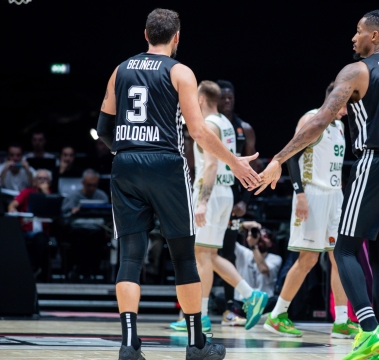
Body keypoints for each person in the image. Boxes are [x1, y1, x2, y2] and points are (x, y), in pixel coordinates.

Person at [256, 10, 379, 359]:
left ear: (376, 37)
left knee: (344, 250)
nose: (354, 38)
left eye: (359, 31)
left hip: (376, 161)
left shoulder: (357, 71)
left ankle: (367, 329)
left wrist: (277, 158)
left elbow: (320, 120)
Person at [96, 9, 259, 360]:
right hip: (165, 165)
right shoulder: (180, 71)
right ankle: (196, 344)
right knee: (184, 256)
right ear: (177, 38)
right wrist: (234, 161)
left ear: (145, 34)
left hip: (124, 164)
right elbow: (198, 132)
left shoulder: (120, 70)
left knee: (130, 257)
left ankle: (128, 344)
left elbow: (104, 129)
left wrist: (128, 152)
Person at [170, 81, 268, 334]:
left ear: (200, 99)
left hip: (211, 195)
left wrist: (202, 201)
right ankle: (209, 312)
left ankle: (228, 304)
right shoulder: (226, 123)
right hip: (225, 193)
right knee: (209, 255)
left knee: (202, 255)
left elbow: (212, 165)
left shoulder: (209, 124)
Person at [264, 82, 359, 339]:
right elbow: (292, 156)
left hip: (333, 195)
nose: (347, 112)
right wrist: (300, 194)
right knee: (308, 259)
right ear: (334, 100)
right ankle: (277, 315)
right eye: (345, 105)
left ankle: (341, 321)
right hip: (311, 194)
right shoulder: (310, 118)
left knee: (339, 257)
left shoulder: (338, 126)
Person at [216, 79, 261, 322]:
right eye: (222, 98)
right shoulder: (210, 125)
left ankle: (231, 307)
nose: (226, 102)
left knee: (227, 252)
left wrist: (244, 201)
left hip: (231, 198)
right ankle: (191, 310)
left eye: (230, 98)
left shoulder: (244, 128)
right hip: (212, 193)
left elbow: (252, 170)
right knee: (202, 253)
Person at [7, 169, 53, 277]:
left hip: (42, 232)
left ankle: (33, 268)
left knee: (41, 240)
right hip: (25, 230)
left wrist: (45, 193)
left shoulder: (51, 196)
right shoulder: (26, 192)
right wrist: (13, 209)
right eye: (39, 178)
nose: (42, 181)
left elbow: (52, 211)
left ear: (49, 182)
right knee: (16, 239)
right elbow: (12, 205)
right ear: (34, 181)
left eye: (45, 179)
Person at [234, 223, 281, 314]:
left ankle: (256, 314)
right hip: (242, 301)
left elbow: (263, 269)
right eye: (259, 236)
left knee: (276, 300)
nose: (260, 239)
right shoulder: (243, 252)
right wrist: (242, 226)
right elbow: (227, 239)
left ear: (271, 243)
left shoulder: (276, 258)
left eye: (265, 237)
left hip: (264, 302)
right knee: (222, 298)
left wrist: (253, 246)